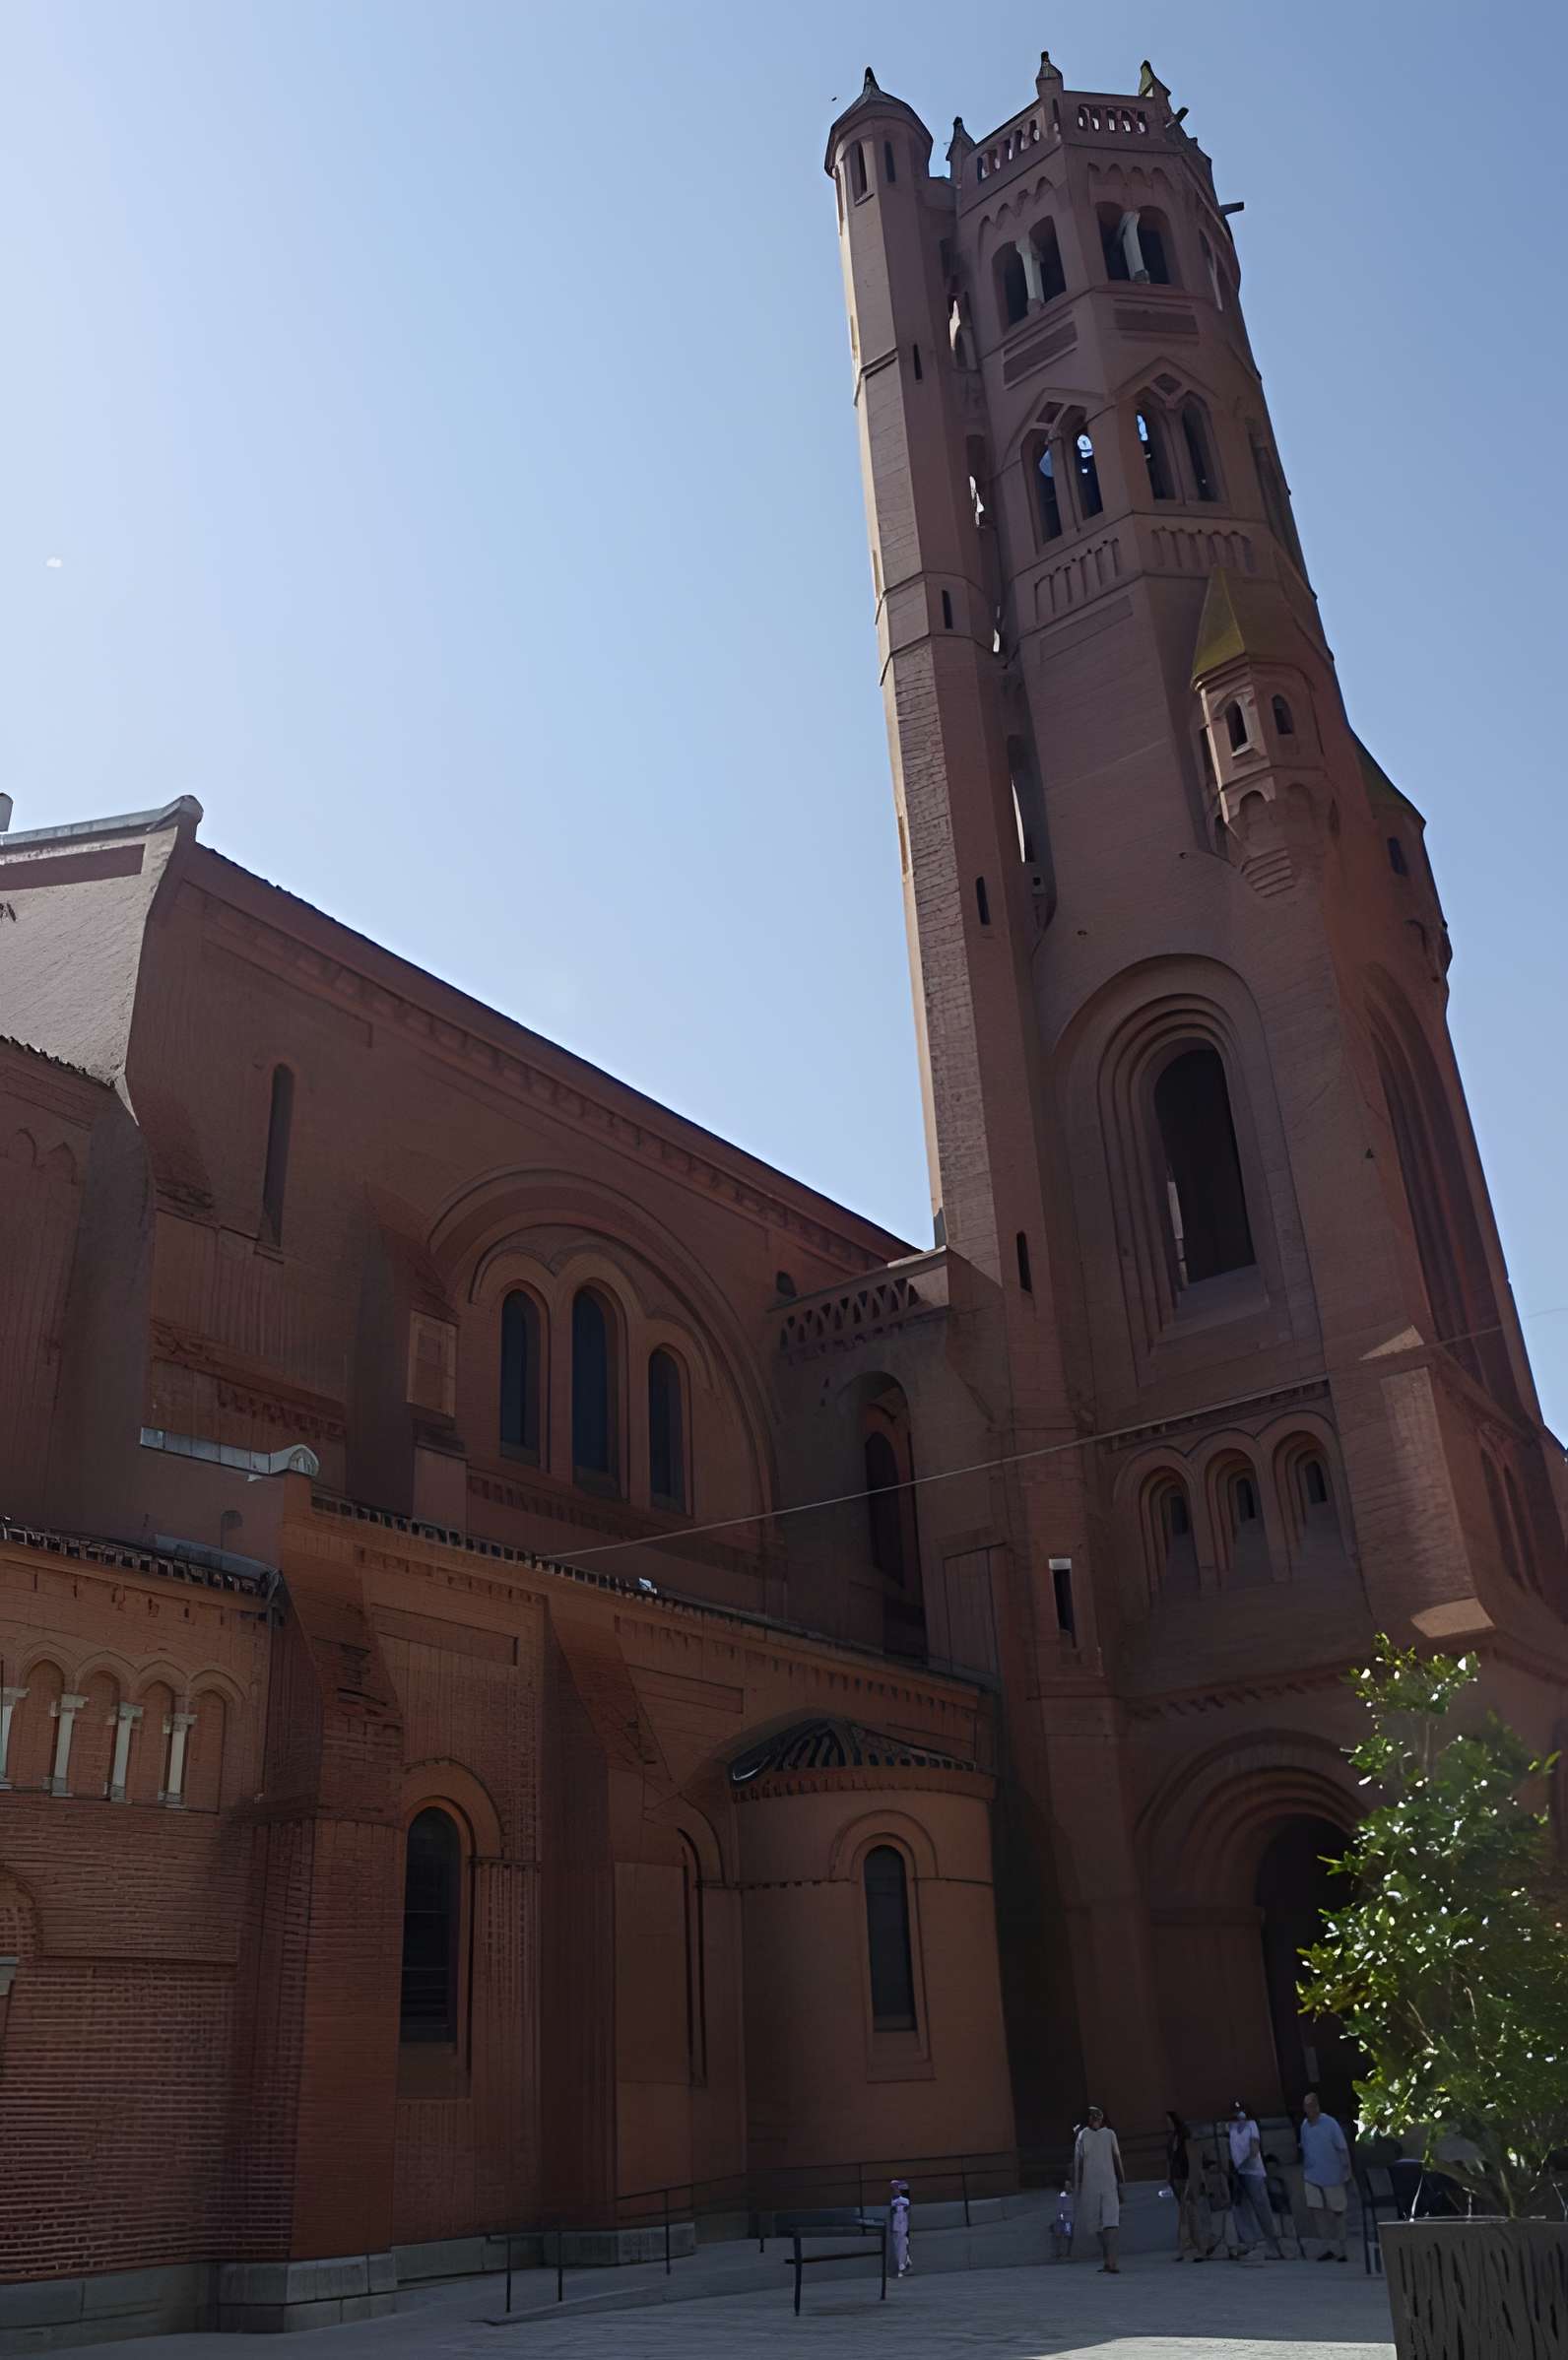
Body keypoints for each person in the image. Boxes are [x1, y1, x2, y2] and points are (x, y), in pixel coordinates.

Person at [1227, 2101, 1286, 2260]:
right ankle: (1249, 2242)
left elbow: (1254, 2148)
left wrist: (1245, 2163)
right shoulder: (1232, 2128)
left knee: (1262, 2208)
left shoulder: (1251, 2125)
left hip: (1253, 2172)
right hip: (1239, 2173)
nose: (1238, 2114)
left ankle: (1273, 2245)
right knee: (1241, 2208)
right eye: (1236, 2111)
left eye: (1241, 2110)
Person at [1298, 2090, 1352, 2262]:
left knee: (1338, 2211)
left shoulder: (1330, 2123)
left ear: (1317, 2106)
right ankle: (1327, 2246)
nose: (1309, 2109)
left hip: (1332, 2174)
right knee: (1316, 2210)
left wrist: (1347, 2169)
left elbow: (1342, 2148)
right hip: (1311, 2174)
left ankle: (1342, 2249)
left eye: (1312, 2105)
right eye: (1306, 2106)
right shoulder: (1304, 2126)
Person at [1074, 2103, 1126, 2273]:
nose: (1095, 2119)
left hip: (1105, 2184)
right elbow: (1079, 2163)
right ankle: (1108, 2260)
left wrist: (1121, 2182)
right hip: (1093, 2185)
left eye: (1097, 2116)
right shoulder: (1084, 2135)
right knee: (1099, 2224)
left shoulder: (1108, 2134)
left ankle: (1111, 2261)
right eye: (1093, 2116)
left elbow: (1116, 2158)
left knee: (1110, 2222)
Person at [1166, 2110, 1205, 2261]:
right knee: (1183, 2214)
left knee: (1191, 2214)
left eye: (1169, 2121)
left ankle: (1199, 2248)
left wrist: (1192, 2179)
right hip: (1177, 2178)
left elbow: (1193, 2160)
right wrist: (1169, 2178)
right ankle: (1184, 2248)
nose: (1167, 2124)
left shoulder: (1185, 2137)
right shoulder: (1172, 2139)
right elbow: (1170, 2160)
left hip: (1186, 2177)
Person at [1199, 2148, 1236, 2258]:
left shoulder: (1216, 2177)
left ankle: (1224, 2249)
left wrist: (1227, 2201)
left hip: (1219, 2207)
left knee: (1221, 2230)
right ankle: (1229, 2250)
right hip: (1217, 2207)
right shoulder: (1214, 2177)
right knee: (1223, 2230)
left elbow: (1225, 2191)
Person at [888, 2179, 912, 2277]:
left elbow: (906, 2212)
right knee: (898, 2245)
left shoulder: (904, 2201)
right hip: (896, 2226)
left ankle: (902, 2265)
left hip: (902, 2226)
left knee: (901, 2245)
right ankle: (902, 2264)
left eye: (896, 2188)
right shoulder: (893, 2201)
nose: (895, 2190)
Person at [1049, 2183, 1075, 2262]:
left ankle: (1066, 2252)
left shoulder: (1067, 2196)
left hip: (1066, 2219)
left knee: (1065, 2235)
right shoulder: (1063, 2195)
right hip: (1063, 2219)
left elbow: (1062, 2208)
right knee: (1061, 2236)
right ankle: (1062, 2252)